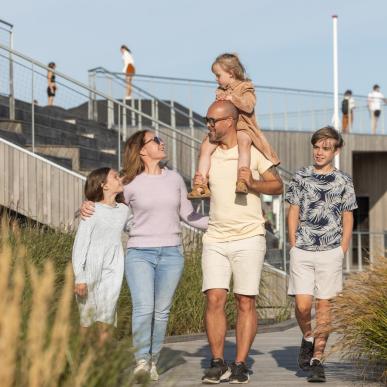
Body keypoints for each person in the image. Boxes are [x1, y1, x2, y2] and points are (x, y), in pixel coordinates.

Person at [80, 130, 208, 382]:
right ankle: (141, 360)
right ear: (141, 150)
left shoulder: (174, 179)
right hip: (139, 253)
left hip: (172, 254)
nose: (162, 143)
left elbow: (189, 215)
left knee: (161, 311)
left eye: (160, 139)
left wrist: (224, 222)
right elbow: (105, 205)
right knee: (143, 308)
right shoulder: (128, 183)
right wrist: (85, 205)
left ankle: (153, 360)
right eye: (156, 140)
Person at [195, 100, 283, 384]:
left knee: (245, 300)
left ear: (229, 122)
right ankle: (218, 362)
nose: (208, 125)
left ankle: (241, 364)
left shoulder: (252, 152)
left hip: (249, 236)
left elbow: (278, 185)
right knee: (214, 298)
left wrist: (254, 184)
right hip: (215, 237)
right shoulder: (208, 152)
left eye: (212, 121)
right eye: (207, 120)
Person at [285, 126, 357, 383]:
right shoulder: (301, 176)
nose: (319, 152)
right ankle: (307, 336)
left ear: (336, 151)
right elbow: (293, 210)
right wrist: (293, 243)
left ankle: (318, 359)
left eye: (326, 148)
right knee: (303, 305)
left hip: (331, 252)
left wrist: (343, 249)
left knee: (324, 305)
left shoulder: (343, 180)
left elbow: (348, 217)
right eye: (317, 147)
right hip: (302, 250)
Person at [188, 53, 280, 199]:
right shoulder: (220, 90)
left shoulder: (246, 87)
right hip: (226, 129)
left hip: (243, 125)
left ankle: (242, 180)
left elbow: (249, 106)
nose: (216, 79)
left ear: (230, 73)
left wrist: (233, 98)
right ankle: (201, 184)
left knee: (244, 143)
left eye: (218, 75)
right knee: (205, 147)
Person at [72, 167, 129, 346]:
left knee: (107, 315)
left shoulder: (124, 210)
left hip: (114, 268)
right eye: (115, 176)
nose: (119, 179)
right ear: (103, 185)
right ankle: (80, 361)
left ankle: (100, 360)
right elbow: (80, 246)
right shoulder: (91, 210)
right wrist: (79, 277)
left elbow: (136, 226)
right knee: (87, 319)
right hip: (90, 269)